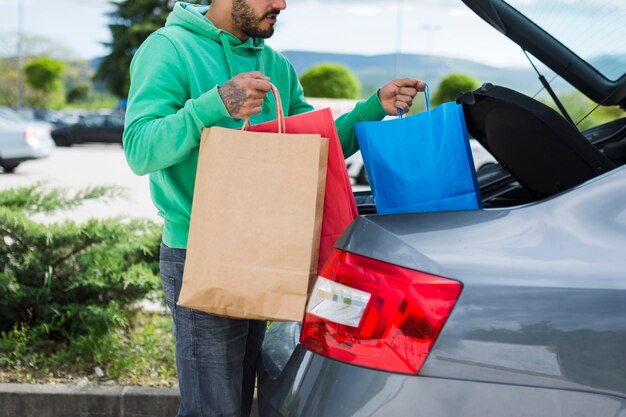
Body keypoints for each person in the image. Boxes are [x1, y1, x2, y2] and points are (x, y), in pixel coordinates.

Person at [123, 1, 425, 416]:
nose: (281, 4)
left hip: (266, 250)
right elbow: (140, 149)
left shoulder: (276, 65)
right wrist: (214, 105)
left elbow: (315, 144)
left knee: (243, 402)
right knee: (213, 409)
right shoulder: (169, 48)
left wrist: (372, 108)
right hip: (199, 252)